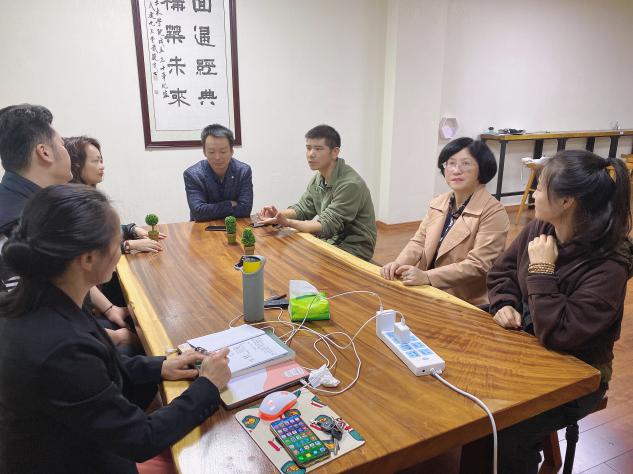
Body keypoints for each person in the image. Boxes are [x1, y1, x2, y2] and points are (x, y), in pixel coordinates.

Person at [0, 184, 231, 473]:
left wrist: (161, 366)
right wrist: (208, 385)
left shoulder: (46, 296)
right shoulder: (60, 347)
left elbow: (98, 368)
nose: (122, 247)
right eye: (116, 240)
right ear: (87, 259)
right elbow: (141, 438)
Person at [487, 150, 633, 473]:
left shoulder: (609, 264)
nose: (534, 194)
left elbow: (562, 334)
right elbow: (502, 272)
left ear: (567, 201)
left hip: (578, 374)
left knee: (509, 429)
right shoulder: (541, 228)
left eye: (540, 187)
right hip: (527, 349)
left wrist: (541, 270)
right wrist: (505, 303)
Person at [0, 104, 132, 348]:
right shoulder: (20, 224)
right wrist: (113, 338)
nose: (67, 152)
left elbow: (67, 274)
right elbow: (38, 329)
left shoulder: (37, 204)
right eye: (61, 144)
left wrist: (109, 309)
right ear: (44, 153)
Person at [380, 137, 509, 306]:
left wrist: (427, 276)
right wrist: (398, 264)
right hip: (426, 289)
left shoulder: (493, 212)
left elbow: (478, 265)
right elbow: (418, 242)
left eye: (465, 164)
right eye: (450, 163)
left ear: (482, 168)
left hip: (464, 300)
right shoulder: (439, 201)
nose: (456, 170)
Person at [257, 124, 377, 261]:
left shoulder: (350, 184)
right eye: (308, 148)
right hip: (329, 239)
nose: (311, 154)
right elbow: (303, 208)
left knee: (294, 258)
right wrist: (278, 215)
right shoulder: (319, 177)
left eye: (318, 149)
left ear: (335, 152)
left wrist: (287, 222)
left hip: (354, 246)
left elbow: (326, 225)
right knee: (283, 254)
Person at [64, 135, 165, 254]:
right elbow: (84, 249)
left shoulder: (89, 197)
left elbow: (101, 231)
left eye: (101, 160)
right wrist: (127, 245)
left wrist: (131, 229)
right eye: (95, 161)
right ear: (75, 165)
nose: (102, 166)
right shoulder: (71, 204)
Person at [183, 124, 253, 221]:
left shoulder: (243, 171)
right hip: (202, 228)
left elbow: (245, 209)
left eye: (223, 152)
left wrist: (209, 210)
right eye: (211, 152)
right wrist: (229, 204)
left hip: (236, 225)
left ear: (231, 151)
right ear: (204, 152)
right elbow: (198, 212)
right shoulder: (192, 174)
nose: (217, 157)